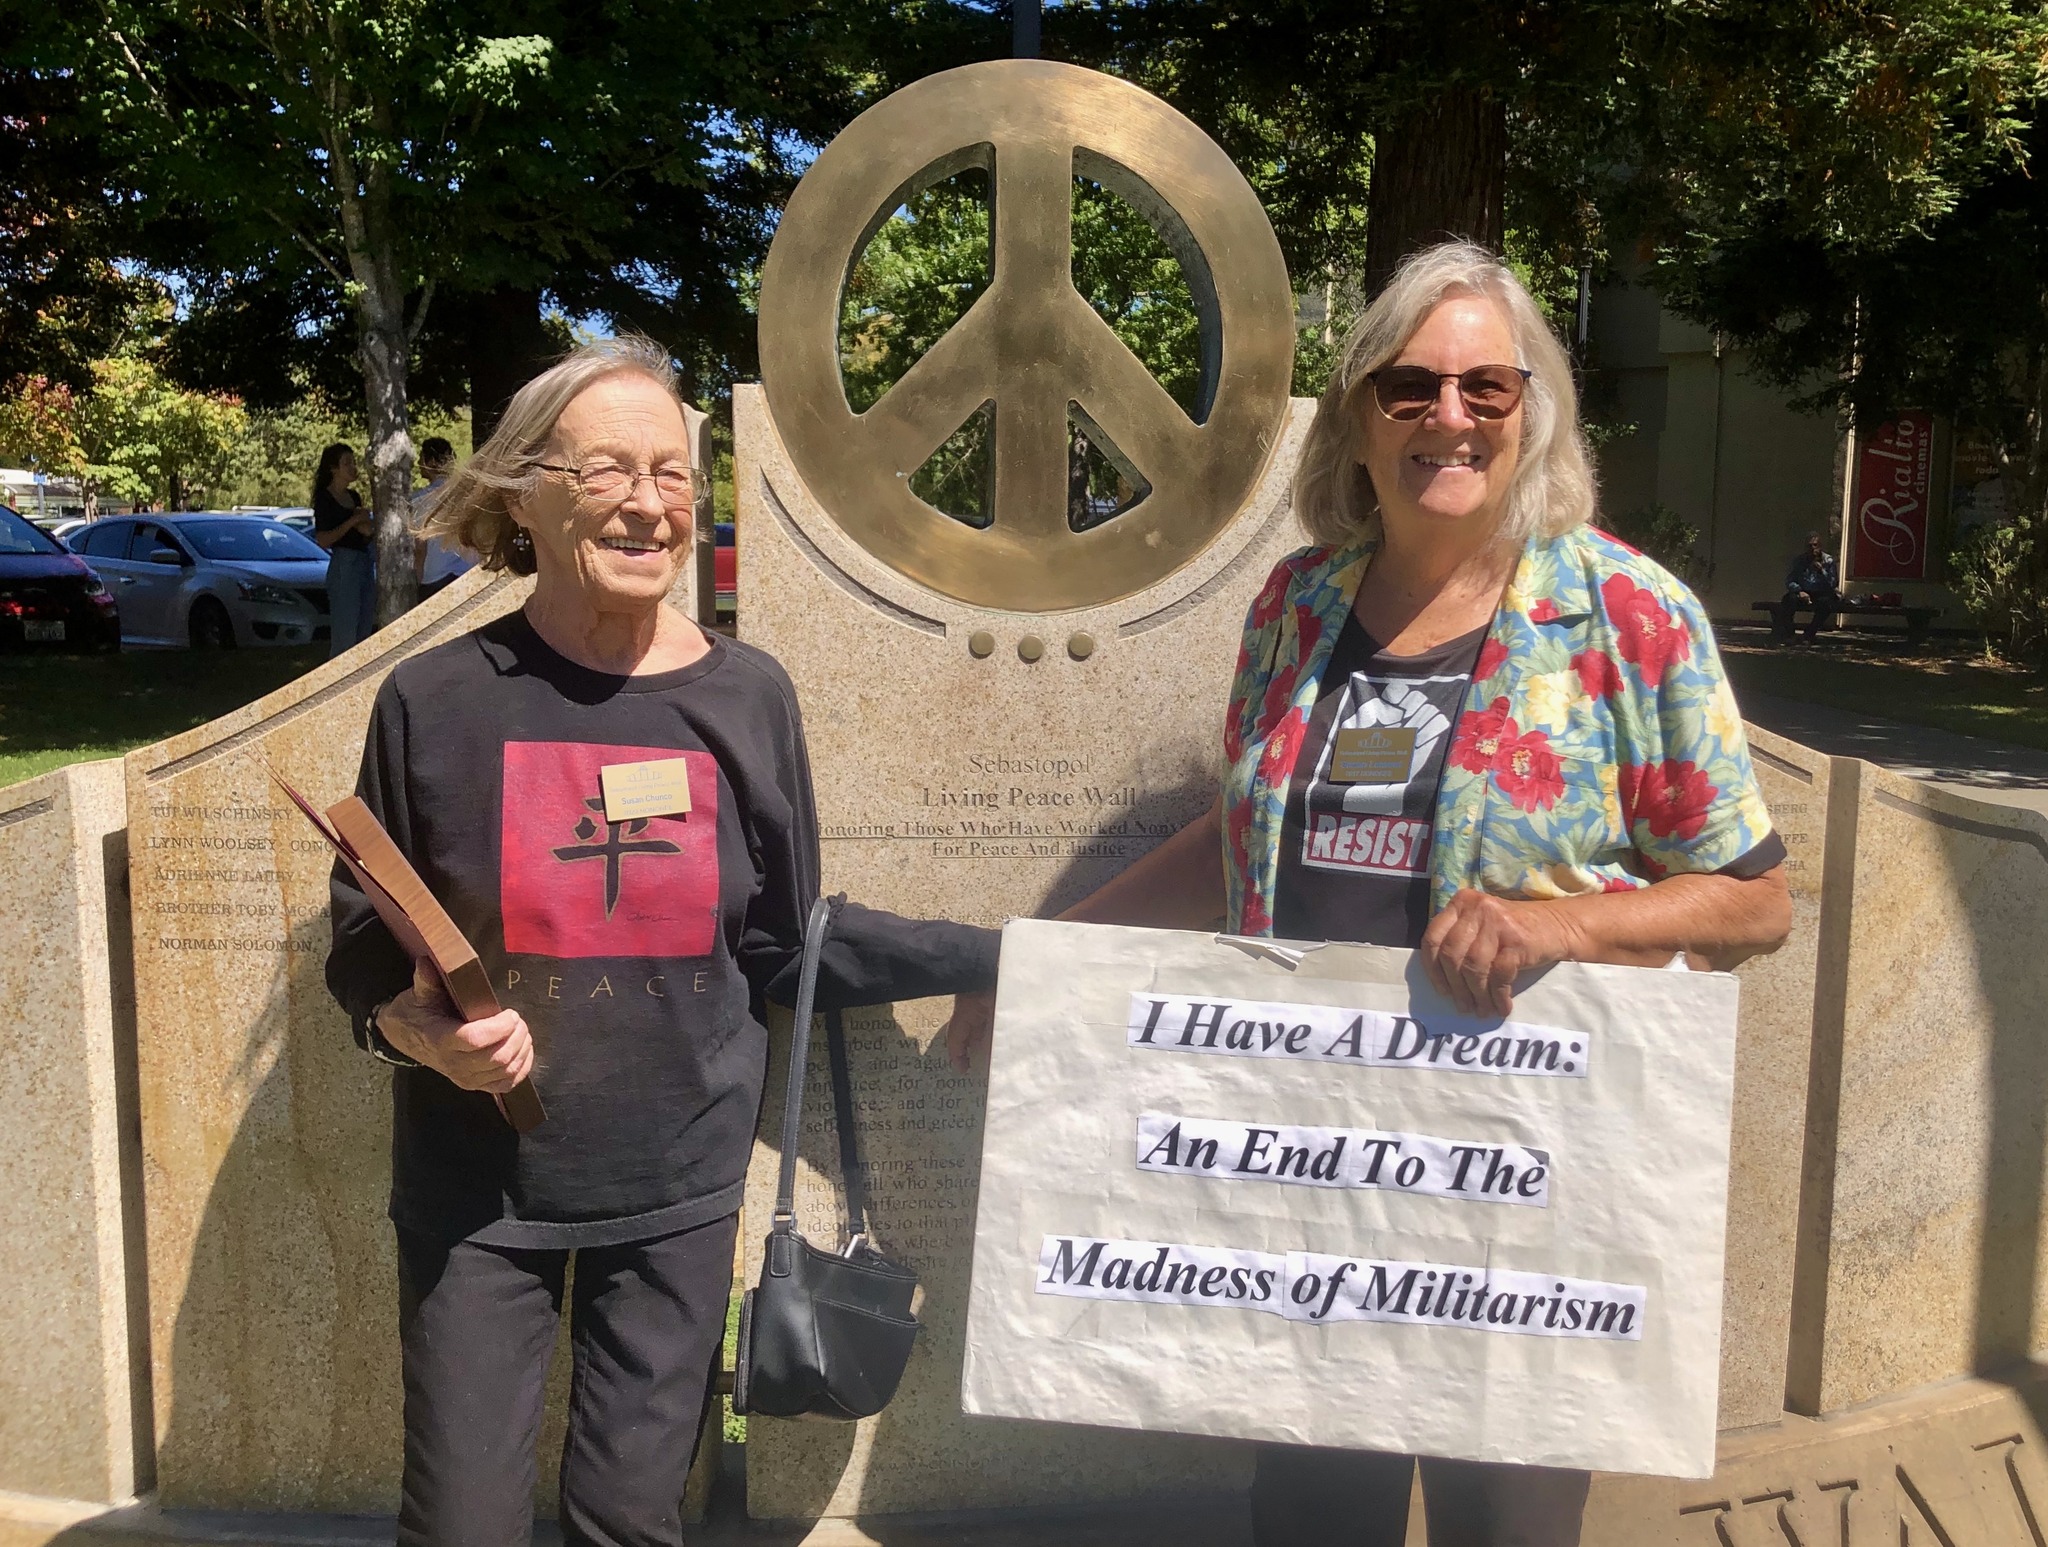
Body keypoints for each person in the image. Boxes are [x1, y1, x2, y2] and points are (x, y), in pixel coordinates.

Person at [950, 242, 1791, 1547]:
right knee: (1308, 1510)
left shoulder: (1629, 614)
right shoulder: (1299, 607)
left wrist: (1559, 923)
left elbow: (1751, 899)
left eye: (1484, 390)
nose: (1446, 417)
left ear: (1533, 411)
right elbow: (1247, 836)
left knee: (1499, 1522)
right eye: (1409, 388)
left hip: (1525, 1187)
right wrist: (1046, 954)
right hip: (1313, 1173)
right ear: (1358, 416)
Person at [326, 337, 999, 1547]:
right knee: (460, 1524)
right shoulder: (432, 701)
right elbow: (365, 936)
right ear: (524, 488)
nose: (648, 504)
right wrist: (421, 1033)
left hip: (678, 1185)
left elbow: (787, 944)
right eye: (605, 473)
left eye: (674, 474)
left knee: (630, 1521)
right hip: (476, 1194)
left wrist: (985, 957)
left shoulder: (746, 697)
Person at [312, 442, 377, 655]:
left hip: (365, 562)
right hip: (344, 566)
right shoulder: (325, 499)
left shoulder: (354, 497)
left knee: (364, 628)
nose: (352, 467)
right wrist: (352, 521)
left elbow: (366, 529)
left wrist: (364, 524)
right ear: (333, 469)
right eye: (346, 463)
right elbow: (323, 539)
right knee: (345, 633)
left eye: (353, 462)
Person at [413, 435, 477, 599]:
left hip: (435, 574)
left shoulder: (421, 499)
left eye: (421, 458)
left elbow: (420, 548)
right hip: (466, 572)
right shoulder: (469, 492)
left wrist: (417, 582)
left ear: (430, 462)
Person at [1776, 531, 1839, 643]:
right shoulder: (1800, 560)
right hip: (1804, 592)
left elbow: (1833, 583)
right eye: (1809, 546)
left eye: (1815, 545)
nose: (1812, 548)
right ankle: (1790, 634)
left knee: (1826, 605)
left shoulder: (1828, 561)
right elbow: (1790, 580)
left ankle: (1809, 634)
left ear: (1819, 547)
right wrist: (1799, 590)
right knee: (1788, 600)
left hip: (1821, 593)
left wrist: (1822, 571)